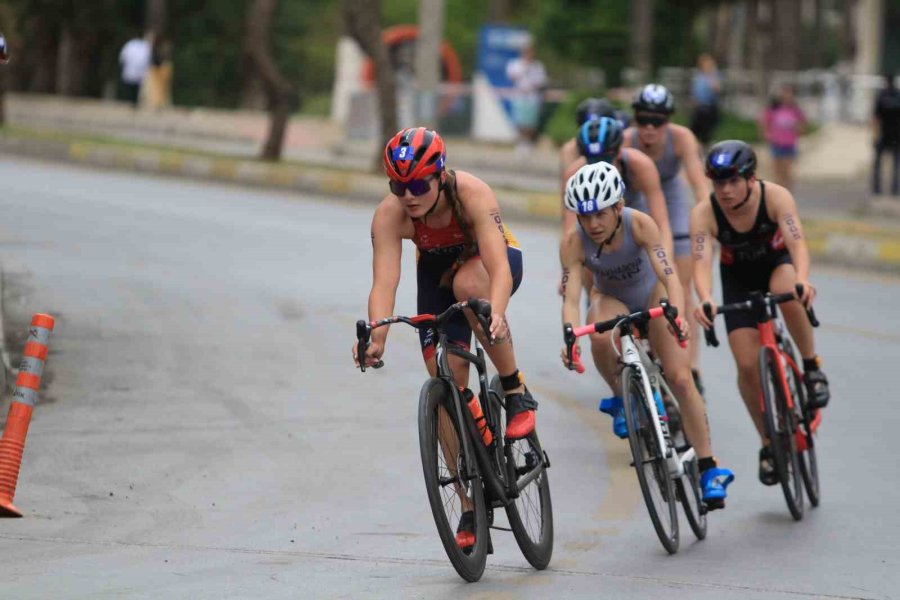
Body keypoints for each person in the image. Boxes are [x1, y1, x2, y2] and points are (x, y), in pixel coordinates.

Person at [352, 127, 538, 548]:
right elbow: (385, 283)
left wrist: (499, 313)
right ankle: (470, 503)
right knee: (444, 383)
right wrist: (377, 338)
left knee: (469, 288)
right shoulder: (390, 214)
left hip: (488, 264)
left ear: (438, 175)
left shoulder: (472, 193)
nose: (409, 195)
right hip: (436, 272)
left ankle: (514, 389)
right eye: (398, 185)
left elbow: (499, 267)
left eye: (418, 184)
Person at [559, 161, 734, 509]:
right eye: (584, 216)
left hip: (651, 295)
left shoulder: (639, 224)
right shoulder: (573, 243)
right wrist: (569, 336)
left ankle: (708, 466)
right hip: (611, 300)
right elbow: (571, 296)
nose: (592, 224)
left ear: (618, 207)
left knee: (681, 379)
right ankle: (621, 398)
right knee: (598, 331)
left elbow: (670, 276)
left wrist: (678, 315)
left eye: (600, 215)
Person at [691, 140, 830, 487]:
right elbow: (700, 262)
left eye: (732, 181)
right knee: (747, 366)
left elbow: (797, 242)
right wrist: (706, 298)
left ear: (751, 178)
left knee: (789, 291)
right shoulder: (705, 213)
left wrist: (802, 279)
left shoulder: (776, 197)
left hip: (777, 267)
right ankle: (768, 443)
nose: (724, 190)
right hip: (737, 280)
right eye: (717, 182)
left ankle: (811, 366)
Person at [623, 83, 711, 392]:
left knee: (681, 290)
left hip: (670, 198)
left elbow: (700, 186)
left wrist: (706, 219)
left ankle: (691, 365)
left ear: (668, 121)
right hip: (636, 197)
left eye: (658, 121)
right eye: (643, 119)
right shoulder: (626, 141)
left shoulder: (682, 138)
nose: (649, 128)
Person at [759, 84, 807, 192]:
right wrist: (766, 134)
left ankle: (788, 193)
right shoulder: (773, 109)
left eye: (789, 93)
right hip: (776, 143)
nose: (787, 96)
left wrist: (797, 127)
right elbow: (764, 122)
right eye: (784, 93)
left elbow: (803, 127)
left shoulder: (796, 110)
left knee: (788, 171)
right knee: (777, 171)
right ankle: (778, 194)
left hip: (789, 144)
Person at [505, 41, 546, 156]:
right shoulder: (516, 64)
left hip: (532, 97)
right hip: (519, 96)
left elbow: (540, 81)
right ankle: (521, 142)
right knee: (520, 121)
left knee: (530, 122)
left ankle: (528, 142)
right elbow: (512, 76)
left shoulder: (537, 66)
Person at [872, 73, 900, 196]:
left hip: (884, 134)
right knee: (896, 165)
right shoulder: (898, 96)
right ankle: (894, 189)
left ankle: (877, 189)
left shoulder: (882, 97)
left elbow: (876, 119)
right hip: (897, 135)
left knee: (878, 164)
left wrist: (874, 135)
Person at [689, 53, 722, 148]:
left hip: (709, 109)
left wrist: (711, 76)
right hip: (699, 108)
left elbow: (717, 89)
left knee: (706, 134)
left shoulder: (714, 75)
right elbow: (695, 92)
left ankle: (704, 150)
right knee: (693, 132)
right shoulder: (699, 76)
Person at [118, 32, 151, 108]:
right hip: (139, 69)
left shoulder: (130, 44)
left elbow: (123, 56)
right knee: (136, 86)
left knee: (131, 86)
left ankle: (131, 101)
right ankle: (134, 101)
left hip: (132, 68)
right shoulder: (144, 46)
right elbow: (147, 59)